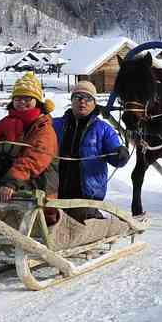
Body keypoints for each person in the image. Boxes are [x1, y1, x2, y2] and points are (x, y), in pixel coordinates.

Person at [53, 81, 129, 221]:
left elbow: (114, 154)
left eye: (88, 98)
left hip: (86, 196)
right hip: (55, 192)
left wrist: (120, 154)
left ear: (94, 103)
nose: (82, 102)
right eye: (78, 97)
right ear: (72, 101)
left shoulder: (104, 129)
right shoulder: (55, 124)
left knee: (79, 227)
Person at [0, 72, 58, 203]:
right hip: (1, 189)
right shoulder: (4, 123)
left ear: (37, 102)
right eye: (18, 99)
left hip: (35, 190)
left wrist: (11, 182)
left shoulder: (43, 128)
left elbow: (34, 159)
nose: (22, 103)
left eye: (27, 99)